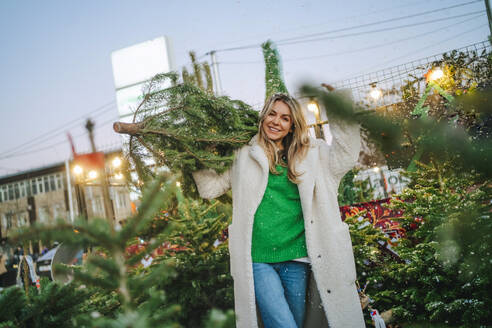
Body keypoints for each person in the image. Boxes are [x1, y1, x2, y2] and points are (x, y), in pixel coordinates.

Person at [193, 93, 365, 328]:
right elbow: (209, 189)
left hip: (297, 257)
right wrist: (191, 154)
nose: (276, 122)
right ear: (263, 116)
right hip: (257, 258)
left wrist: (338, 110)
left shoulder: (313, 153)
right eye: (272, 114)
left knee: (295, 322)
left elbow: (346, 157)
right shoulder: (243, 155)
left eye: (285, 118)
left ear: (293, 124)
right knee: (284, 325)